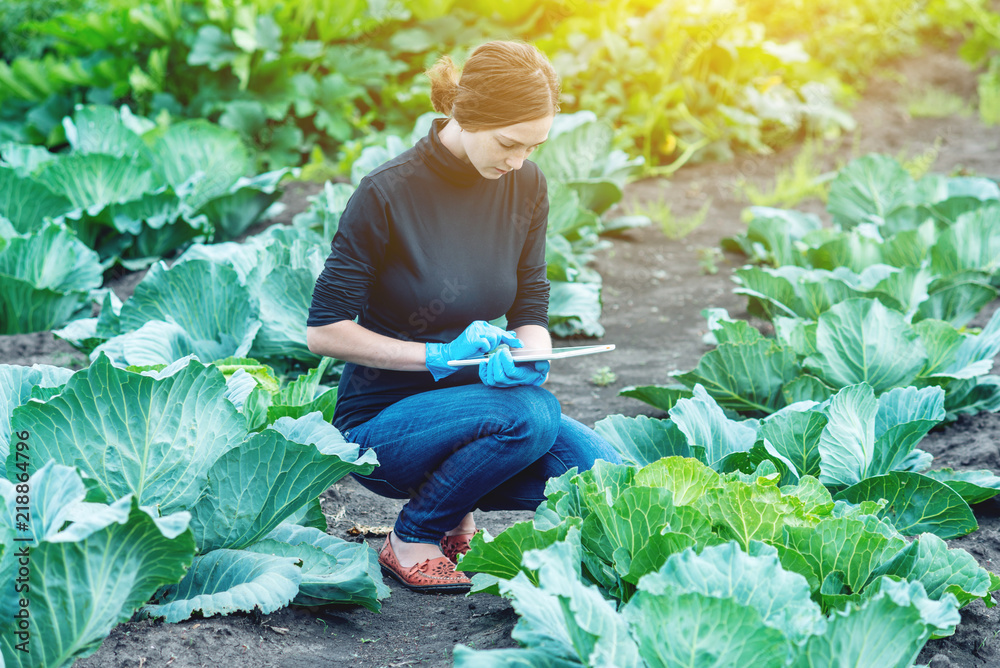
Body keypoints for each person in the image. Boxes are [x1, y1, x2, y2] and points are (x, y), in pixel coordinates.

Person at [305, 40, 621, 593]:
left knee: (599, 470)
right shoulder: (386, 194)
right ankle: (413, 535)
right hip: (382, 423)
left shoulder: (526, 184)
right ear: (464, 114)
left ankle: (454, 507)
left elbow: (530, 300)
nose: (518, 160)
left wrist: (531, 353)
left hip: (483, 408)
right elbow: (323, 332)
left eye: (534, 145)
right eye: (509, 143)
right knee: (531, 417)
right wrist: (439, 356)